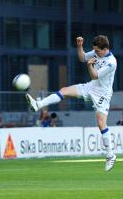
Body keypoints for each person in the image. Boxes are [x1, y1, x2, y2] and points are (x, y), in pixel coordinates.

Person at [26, 35, 117, 171]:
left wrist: (90, 65)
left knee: (100, 122)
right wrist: (79, 46)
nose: (96, 53)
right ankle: (37, 105)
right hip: (91, 87)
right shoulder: (96, 52)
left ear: (105, 49)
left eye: (98, 51)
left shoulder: (111, 62)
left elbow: (94, 75)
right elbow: (82, 57)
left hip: (103, 93)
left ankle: (110, 154)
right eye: (94, 51)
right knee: (64, 90)